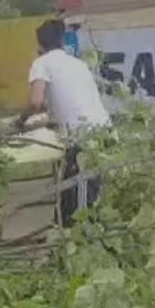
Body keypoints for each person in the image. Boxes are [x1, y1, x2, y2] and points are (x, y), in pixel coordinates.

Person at [15, 19, 111, 227]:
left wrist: (20, 120)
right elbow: (73, 101)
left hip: (85, 138)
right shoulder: (77, 64)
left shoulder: (41, 63)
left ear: (40, 45)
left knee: (81, 198)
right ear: (61, 41)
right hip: (101, 131)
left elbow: (36, 101)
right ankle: (70, 234)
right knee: (72, 189)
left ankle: (83, 240)